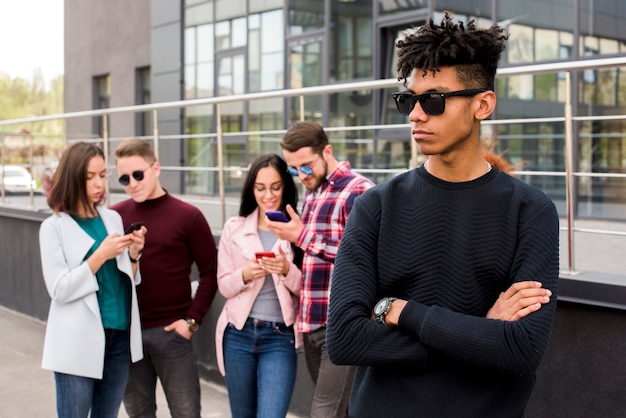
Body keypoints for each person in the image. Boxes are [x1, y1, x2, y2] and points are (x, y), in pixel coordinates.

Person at [326, 14, 559, 418]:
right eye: (407, 100)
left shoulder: (530, 211)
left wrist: (403, 311)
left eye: (433, 100)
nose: (416, 114)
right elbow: (345, 339)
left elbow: (521, 350)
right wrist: (478, 332)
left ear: (482, 105)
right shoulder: (376, 205)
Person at [266, 121, 374, 418]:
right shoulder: (312, 193)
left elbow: (365, 260)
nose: (301, 176)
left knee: (324, 413)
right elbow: (316, 260)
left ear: (327, 151)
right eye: (293, 169)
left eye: (307, 167)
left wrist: (301, 237)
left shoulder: (359, 190)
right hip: (311, 323)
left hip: (341, 324)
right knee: (343, 410)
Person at [110, 138, 218, 418]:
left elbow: (210, 271)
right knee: (139, 414)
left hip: (173, 334)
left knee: (186, 414)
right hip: (128, 335)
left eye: (138, 174)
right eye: (124, 178)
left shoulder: (188, 216)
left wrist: (192, 321)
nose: (132, 183)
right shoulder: (114, 217)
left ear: (155, 167)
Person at [39, 141, 145, 418]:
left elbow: (125, 280)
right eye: (89, 177)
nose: (98, 183)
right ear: (73, 178)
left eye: (102, 175)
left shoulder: (113, 218)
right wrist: (99, 256)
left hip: (119, 337)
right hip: (76, 343)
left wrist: (133, 255)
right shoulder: (53, 227)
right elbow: (59, 289)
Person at [215, 154, 304, 418]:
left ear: (286, 186)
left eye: (275, 187)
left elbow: (304, 288)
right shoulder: (235, 228)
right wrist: (245, 274)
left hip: (279, 337)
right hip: (239, 334)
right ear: (251, 189)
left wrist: (286, 270)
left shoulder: (297, 229)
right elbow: (224, 286)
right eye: (260, 188)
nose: (268, 195)